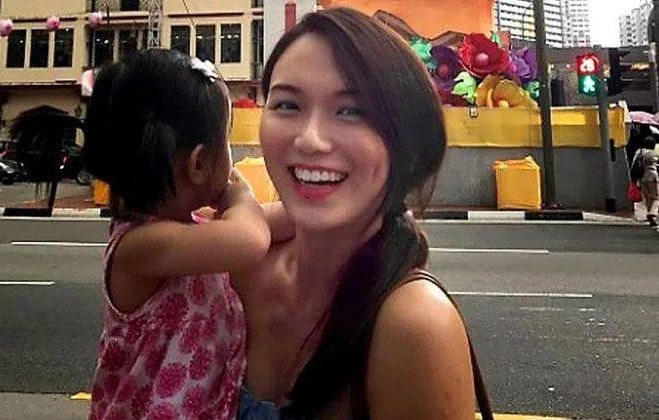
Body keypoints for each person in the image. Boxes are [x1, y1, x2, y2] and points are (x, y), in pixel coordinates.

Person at [234, 7, 487, 419]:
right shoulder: (231, 271)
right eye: (287, 105)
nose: (311, 140)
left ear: (405, 140)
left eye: (351, 111)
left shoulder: (415, 326)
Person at [84, 49, 271, 419]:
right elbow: (252, 239)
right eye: (226, 139)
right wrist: (241, 196)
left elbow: (263, 222)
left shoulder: (185, 232)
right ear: (199, 163)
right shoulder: (140, 247)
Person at [631, 137, 659, 228]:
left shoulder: (639, 152)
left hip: (642, 177)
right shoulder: (652, 153)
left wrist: (634, 178)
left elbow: (634, 165)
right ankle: (652, 213)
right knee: (656, 197)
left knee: (647, 197)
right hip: (652, 176)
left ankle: (651, 218)